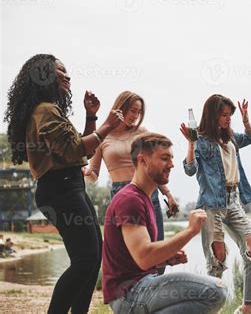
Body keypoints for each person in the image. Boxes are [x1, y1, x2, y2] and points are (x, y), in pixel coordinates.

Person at [3, 54, 122, 313]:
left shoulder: (48, 109)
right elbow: (73, 151)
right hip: (61, 189)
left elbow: (81, 151)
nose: (67, 76)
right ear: (44, 75)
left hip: (69, 186)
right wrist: (108, 126)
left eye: (68, 71)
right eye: (60, 71)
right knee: (85, 260)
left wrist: (91, 118)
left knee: (92, 257)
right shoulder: (44, 110)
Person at [102, 132, 227, 313]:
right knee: (216, 290)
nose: (172, 164)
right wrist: (190, 231)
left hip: (133, 290)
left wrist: (164, 260)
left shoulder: (141, 198)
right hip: (130, 294)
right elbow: (144, 257)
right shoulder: (130, 199)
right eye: (164, 158)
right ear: (142, 160)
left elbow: (134, 258)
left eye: (171, 158)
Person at [181, 95, 251, 314]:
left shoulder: (231, 138)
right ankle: (210, 310)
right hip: (212, 204)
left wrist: (246, 119)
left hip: (234, 201)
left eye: (230, 115)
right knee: (218, 260)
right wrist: (191, 143)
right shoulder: (201, 140)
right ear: (212, 115)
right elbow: (189, 170)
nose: (228, 119)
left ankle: (248, 306)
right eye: (224, 115)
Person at [83, 90, 178, 244]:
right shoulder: (102, 134)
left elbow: (153, 169)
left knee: (157, 248)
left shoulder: (142, 134)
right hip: (121, 195)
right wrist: (85, 172)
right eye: (133, 111)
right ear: (121, 108)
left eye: (139, 112)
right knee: (128, 251)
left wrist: (168, 194)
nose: (135, 116)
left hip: (147, 192)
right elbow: (93, 174)